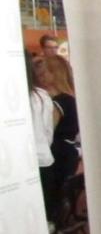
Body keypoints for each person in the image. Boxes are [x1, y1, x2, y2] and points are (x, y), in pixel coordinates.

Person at [25, 52, 57, 221]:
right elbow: (48, 133)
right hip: (44, 159)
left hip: (28, 165)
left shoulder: (35, 97)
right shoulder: (43, 97)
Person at [41, 55, 80, 191]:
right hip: (68, 153)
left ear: (54, 74)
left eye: (45, 72)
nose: (42, 76)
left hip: (59, 155)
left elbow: (48, 130)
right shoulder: (71, 99)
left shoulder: (60, 102)